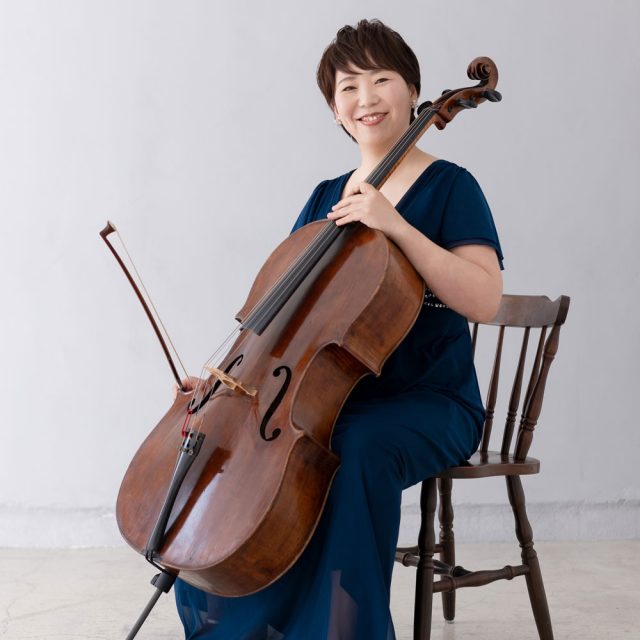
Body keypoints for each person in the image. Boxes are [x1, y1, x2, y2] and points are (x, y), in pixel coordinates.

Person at [174, 18, 504, 640]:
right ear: (334, 110)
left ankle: (343, 629)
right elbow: (283, 319)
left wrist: (395, 225)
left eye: (381, 80)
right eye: (348, 87)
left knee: (355, 450)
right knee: (268, 462)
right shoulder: (325, 197)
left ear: (412, 91)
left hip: (429, 402)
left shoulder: (451, 187)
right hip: (329, 402)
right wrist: (223, 390)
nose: (366, 98)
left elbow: (484, 299)